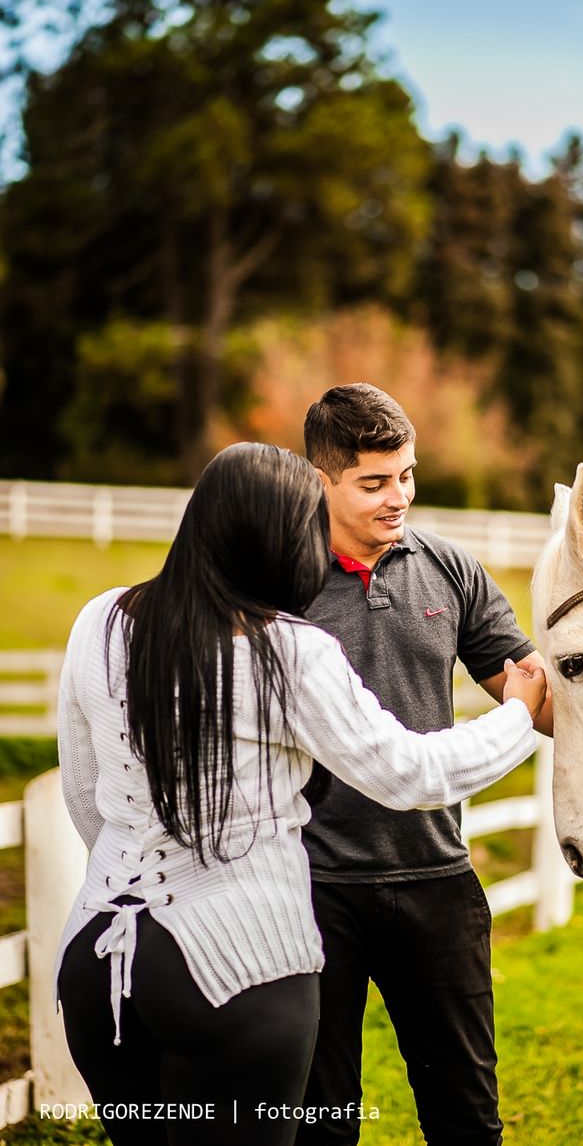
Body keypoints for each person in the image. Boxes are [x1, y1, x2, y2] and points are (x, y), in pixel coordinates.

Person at [55, 442, 546, 1146]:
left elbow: (86, 792)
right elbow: (411, 772)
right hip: (236, 968)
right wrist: (518, 717)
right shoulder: (288, 650)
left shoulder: (101, 621)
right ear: (278, 536)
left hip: (103, 958)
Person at [298, 384, 553, 1146]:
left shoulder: (450, 570)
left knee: (467, 1116)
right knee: (320, 1122)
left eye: (406, 474)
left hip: (436, 878)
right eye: (374, 482)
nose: (398, 496)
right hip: (310, 887)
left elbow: (533, 694)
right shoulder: (279, 578)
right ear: (321, 480)